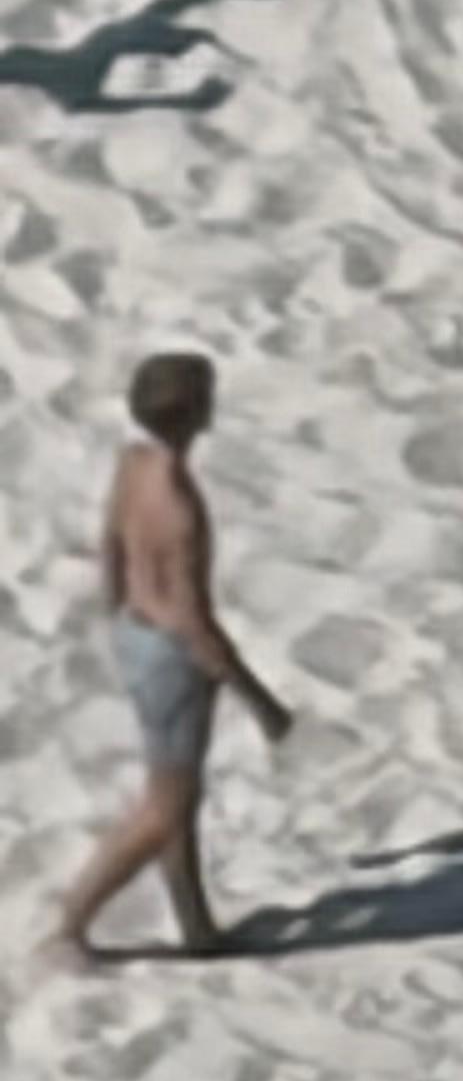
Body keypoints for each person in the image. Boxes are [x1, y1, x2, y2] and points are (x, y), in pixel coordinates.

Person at [57, 351, 292, 962]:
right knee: (165, 807)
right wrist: (260, 700)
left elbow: (111, 546)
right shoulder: (182, 507)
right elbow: (194, 620)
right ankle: (73, 921)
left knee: (177, 792)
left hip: (135, 633)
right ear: (196, 416)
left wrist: (119, 617)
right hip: (172, 655)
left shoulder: (131, 465)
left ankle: (197, 928)